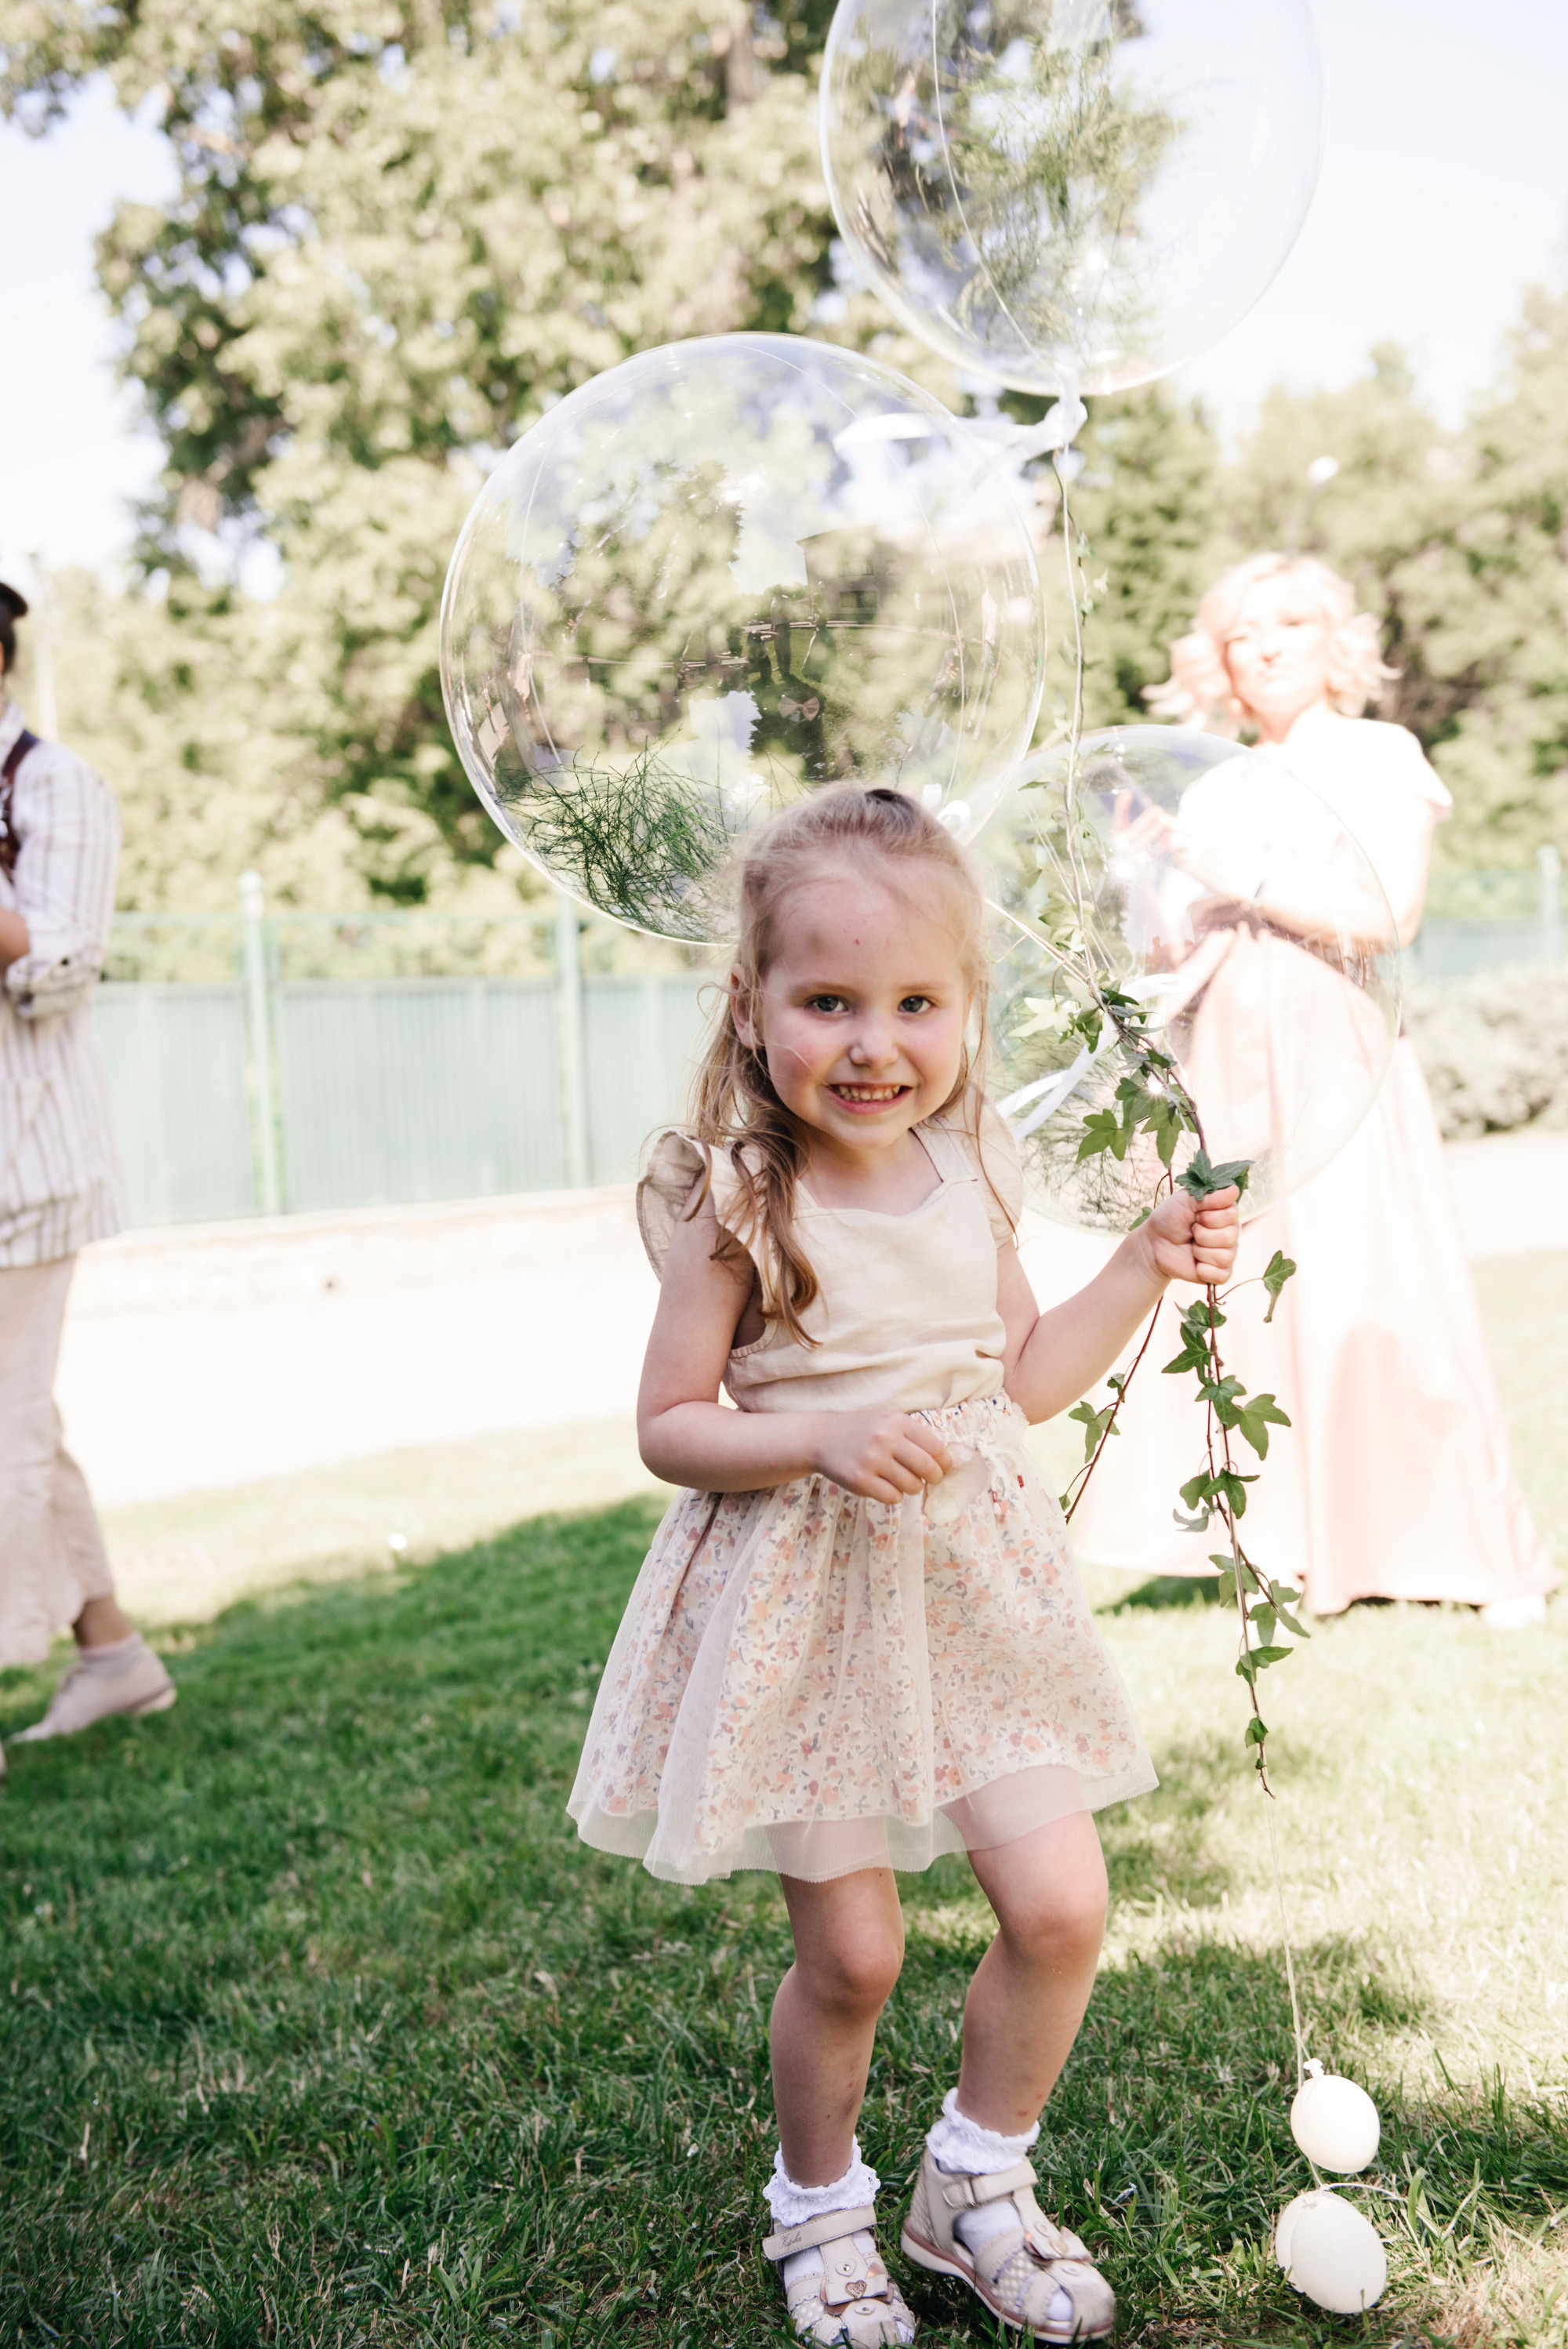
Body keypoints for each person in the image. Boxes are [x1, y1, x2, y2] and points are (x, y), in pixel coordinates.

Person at [568, 786, 1239, 2345]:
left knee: (1062, 1902)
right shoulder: (741, 1204)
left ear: (965, 1012)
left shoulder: (975, 1163)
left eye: (915, 1003)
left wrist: (1138, 1263)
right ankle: (817, 2212)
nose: (875, 1042)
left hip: (976, 1599)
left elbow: (1015, 1374)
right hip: (807, 1606)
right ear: (751, 1005)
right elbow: (670, 1424)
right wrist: (814, 1434)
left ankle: (973, 2184)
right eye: (828, 1001)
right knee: (854, 1952)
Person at [1070, 551, 1557, 1626]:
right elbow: (1176, 945)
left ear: (1335, 641)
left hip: (1338, 1050)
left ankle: (1469, 1552)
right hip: (1226, 1061)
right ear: (1222, 662)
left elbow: (1388, 918)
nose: (1270, 644)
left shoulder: (1380, 753)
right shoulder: (1219, 780)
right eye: (1246, 633)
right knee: (1247, 1304)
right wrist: (1145, 880)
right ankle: (1282, 1546)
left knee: (1378, 1294)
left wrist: (1227, 875)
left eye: (1291, 621)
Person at [0, 576, 175, 1759]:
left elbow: (55, 966)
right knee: (21, 1424)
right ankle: (113, 1655)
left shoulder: (57, 787)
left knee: (2, 1428)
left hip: (25, 1168)